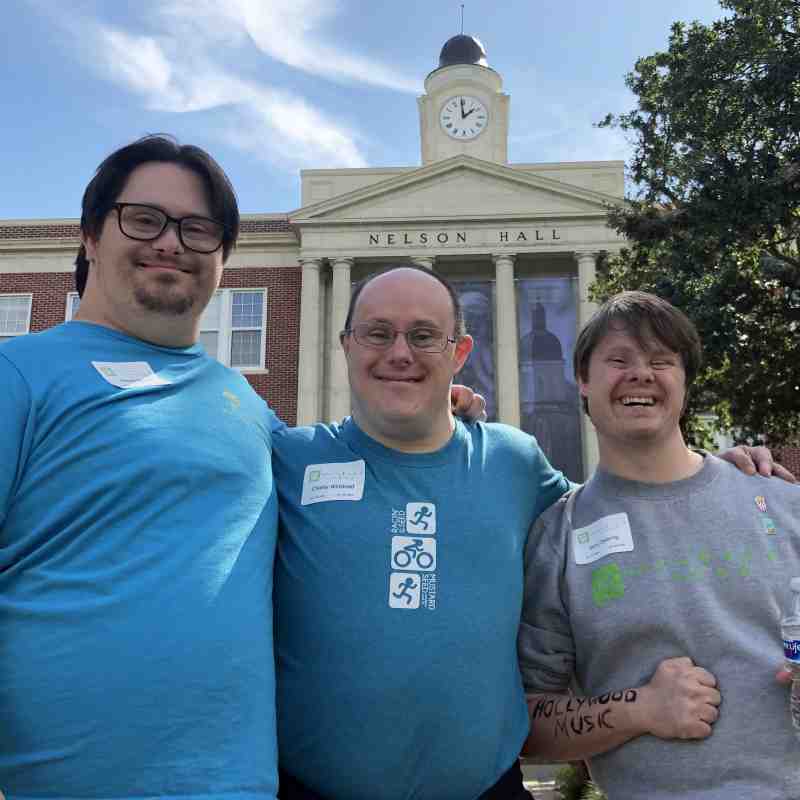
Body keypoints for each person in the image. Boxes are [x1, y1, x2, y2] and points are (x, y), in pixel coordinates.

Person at [270, 269, 784, 800]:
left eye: (424, 336)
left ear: (460, 351)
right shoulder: (288, 460)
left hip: (488, 789)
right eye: (378, 333)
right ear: (346, 344)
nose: (400, 352)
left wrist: (710, 474)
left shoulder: (513, 462)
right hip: (310, 787)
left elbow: (621, 506)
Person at [0, 135, 282, 798]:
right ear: (91, 237)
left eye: (197, 228)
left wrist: (440, 409)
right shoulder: (18, 378)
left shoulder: (247, 405)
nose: (171, 243)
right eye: (145, 219)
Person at [518, 291, 800, 799]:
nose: (640, 375)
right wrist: (639, 708)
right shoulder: (557, 538)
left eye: (660, 361)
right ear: (583, 381)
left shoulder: (780, 501)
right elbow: (527, 724)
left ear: (685, 383)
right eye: (618, 360)